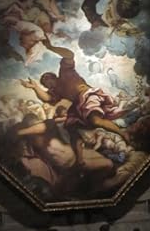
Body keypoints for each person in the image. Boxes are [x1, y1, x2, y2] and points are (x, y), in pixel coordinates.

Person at [19, 36, 129, 164]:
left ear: (53, 77)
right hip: (78, 104)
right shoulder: (57, 92)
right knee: (71, 126)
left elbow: (69, 55)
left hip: (87, 95)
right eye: (44, 84)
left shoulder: (65, 73)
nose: (46, 84)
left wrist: (50, 47)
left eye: (46, 80)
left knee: (95, 120)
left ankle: (122, 133)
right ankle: (79, 159)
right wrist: (35, 87)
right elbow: (47, 98)